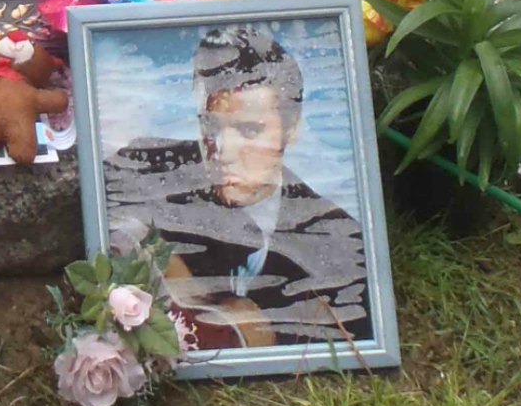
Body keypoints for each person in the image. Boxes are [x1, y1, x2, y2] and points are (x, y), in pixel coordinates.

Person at [104, 25, 370, 349]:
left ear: (293, 128)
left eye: (249, 130)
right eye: (210, 125)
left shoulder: (339, 244)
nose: (223, 151)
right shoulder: (143, 170)